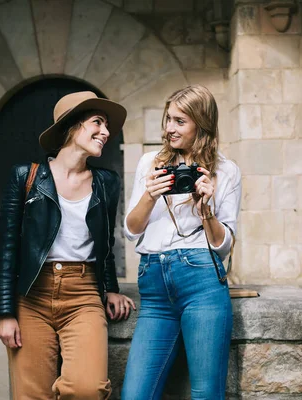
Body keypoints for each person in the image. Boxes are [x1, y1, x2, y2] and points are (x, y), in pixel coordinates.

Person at [0, 91, 136, 400]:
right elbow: (7, 250)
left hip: (83, 294)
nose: (106, 132)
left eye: (108, 126)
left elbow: (105, 243)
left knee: (87, 389)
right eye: (97, 122)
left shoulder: (106, 182)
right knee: (31, 394)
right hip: (32, 295)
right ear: (71, 126)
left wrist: (110, 287)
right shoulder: (25, 177)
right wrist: (5, 313)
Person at [121, 85, 241, 400]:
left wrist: (205, 212)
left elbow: (224, 244)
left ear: (201, 126)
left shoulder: (226, 171)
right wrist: (150, 194)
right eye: (168, 119)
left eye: (179, 121)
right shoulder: (151, 163)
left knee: (205, 394)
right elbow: (131, 230)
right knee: (135, 395)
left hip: (201, 281)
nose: (168, 128)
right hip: (154, 285)